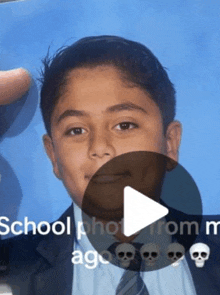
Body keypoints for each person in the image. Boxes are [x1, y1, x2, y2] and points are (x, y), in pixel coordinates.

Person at [0, 36, 219, 295]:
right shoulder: (10, 265)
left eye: (124, 125)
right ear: (53, 156)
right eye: (76, 130)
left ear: (170, 143)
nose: (99, 147)